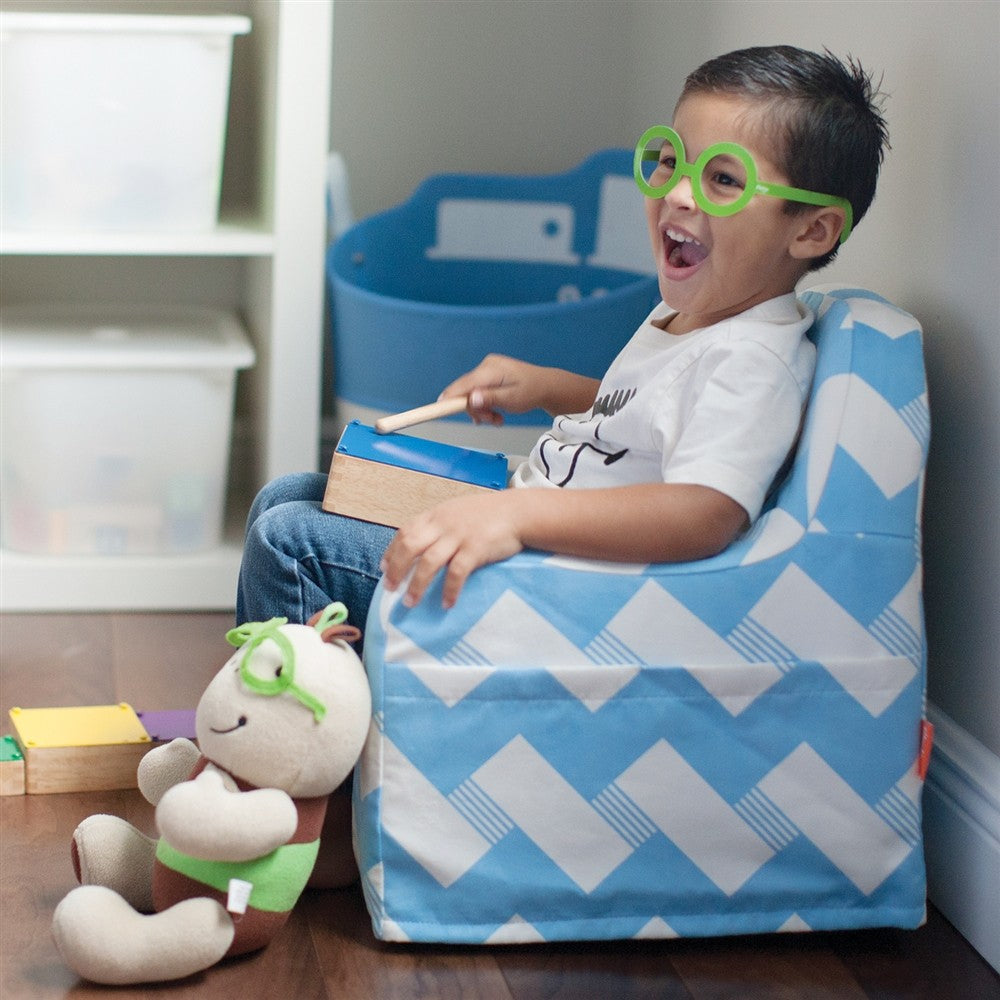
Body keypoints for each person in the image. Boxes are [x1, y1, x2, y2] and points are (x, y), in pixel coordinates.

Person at [237, 44, 889, 633]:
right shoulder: (700, 315)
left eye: (723, 179)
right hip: (532, 525)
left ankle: (290, 740)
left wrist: (512, 518)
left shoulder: (754, 359)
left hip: (558, 582)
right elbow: (644, 423)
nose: (678, 195)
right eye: (668, 162)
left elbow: (703, 511)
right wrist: (551, 389)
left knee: (292, 541)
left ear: (811, 231)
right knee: (292, 494)